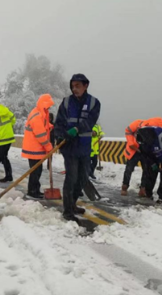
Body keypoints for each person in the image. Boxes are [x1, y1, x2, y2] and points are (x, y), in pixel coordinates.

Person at [55, 73, 101, 223]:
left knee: (82, 178)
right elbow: (59, 123)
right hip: (69, 148)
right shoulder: (66, 102)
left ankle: (73, 204)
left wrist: (77, 129)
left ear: (85, 85)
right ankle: (67, 211)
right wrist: (61, 135)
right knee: (71, 177)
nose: (74, 89)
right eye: (73, 86)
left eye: (78, 86)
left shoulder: (94, 103)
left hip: (84, 147)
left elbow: (90, 121)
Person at [21, 94, 54, 199]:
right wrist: (48, 146)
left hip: (36, 147)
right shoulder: (37, 115)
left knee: (37, 170)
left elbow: (43, 125)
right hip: (34, 148)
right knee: (35, 171)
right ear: (44, 104)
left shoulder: (40, 112)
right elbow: (40, 134)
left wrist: (50, 126)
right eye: (48, 105)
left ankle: (35, 189)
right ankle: (32, 191)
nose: (49, 107)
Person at [121, 119, 146, 196]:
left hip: (144, 151)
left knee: (146, 170)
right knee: (129, 169)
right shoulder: (134, 128)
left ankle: (143, 189)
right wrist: (137, 150)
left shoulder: (148, 130)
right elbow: (131, 144)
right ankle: (124, 187)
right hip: (133, 151)